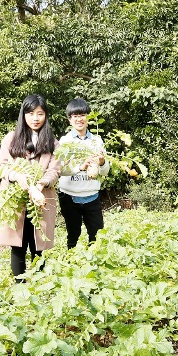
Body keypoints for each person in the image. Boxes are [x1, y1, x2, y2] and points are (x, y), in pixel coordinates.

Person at [0, 94, 61, 280]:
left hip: (41, 198)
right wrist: (17, 176)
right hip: (16, 199)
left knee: (38, 245)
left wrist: (42, 183)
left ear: (46, 116)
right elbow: (2, 167)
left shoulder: (53, 143)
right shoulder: (11, 139)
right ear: (24, 115)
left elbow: (54, 171)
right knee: (18, 245)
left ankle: (38, 287)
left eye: (40, 114)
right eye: (31, 113)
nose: (35, 118)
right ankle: (20, 287)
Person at [57, 98, 109, 248]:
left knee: (97, 237)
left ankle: (95, 265)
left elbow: (105, 171)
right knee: (73, 236)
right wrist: (80, 166)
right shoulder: (64, 142)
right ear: (69, 120)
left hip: (92, 196)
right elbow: (59, 170)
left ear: (87, 117)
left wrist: (102, 162)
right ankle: (72, 266)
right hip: (69, 197)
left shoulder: (97, 141)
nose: (79, 119)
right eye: (75, 116)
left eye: (82, 115)